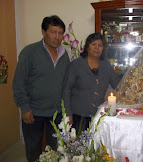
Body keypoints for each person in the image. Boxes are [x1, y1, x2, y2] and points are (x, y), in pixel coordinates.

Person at [13, 15, 70, 162]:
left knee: (55, 151)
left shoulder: (64, 55)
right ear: (43, 32)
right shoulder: (29, 52)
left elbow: (65, 86)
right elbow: (19, 82)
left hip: (56, 112)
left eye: (60, 33)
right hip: (33, 112)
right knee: (33, 151)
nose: (57, 37)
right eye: (53, 32)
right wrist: (24, 108)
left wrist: (66, 111)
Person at [63, 33, 120, 131]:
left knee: (96, 145)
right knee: (79, 145)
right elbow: (66, 90)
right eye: (93, 44)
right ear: (87, 46)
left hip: (98, 115)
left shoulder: (106, 66)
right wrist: (68, 114)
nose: (97, 48)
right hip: (78, 116)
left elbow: (118, 85)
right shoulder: (76, 65)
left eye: (100, 45)